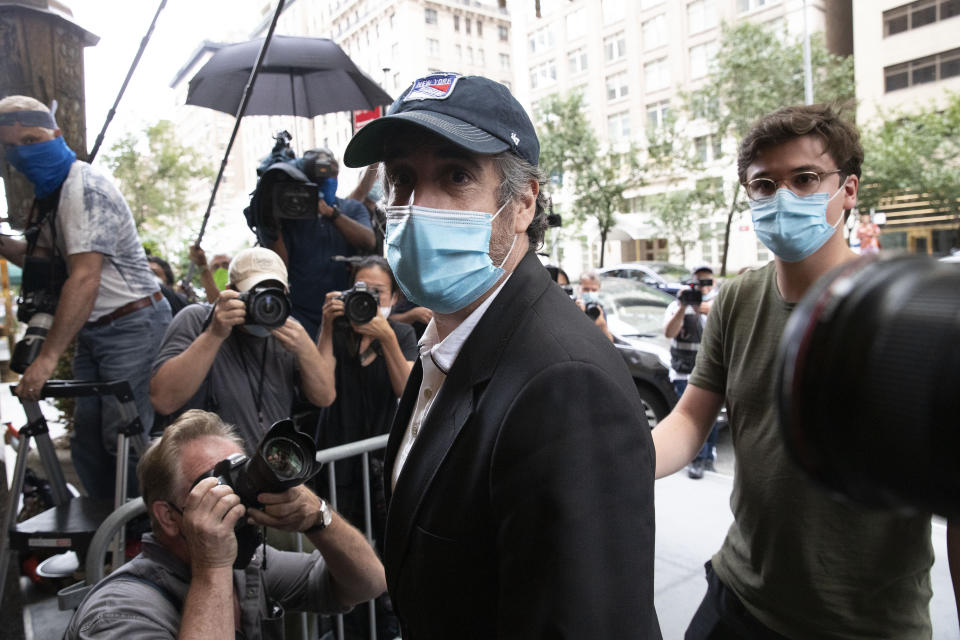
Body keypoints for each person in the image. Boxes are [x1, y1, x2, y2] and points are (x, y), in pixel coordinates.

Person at [342, 73, 660, 639]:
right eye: (403, 179)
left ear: (521, 203)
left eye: (456, 175)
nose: (417, 208)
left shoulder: (564, 385)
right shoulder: (446, 342)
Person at [652, 104, 958, 638]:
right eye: (764, 184)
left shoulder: (908, 312)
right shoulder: (736, 298)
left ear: (850, 190)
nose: (783, 197)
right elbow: (691, 418)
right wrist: (610, 460)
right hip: (737, 599)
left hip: (864, 626)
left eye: (806, 178)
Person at [64, 409, 386, 639]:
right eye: (214, 485)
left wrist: (319, 518)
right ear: (169, 517)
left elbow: (369, 583)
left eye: (239, 472)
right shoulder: (118, 615)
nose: (237, 496)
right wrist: (212, 567)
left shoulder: (248, 567)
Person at [0, 95, 171, 499]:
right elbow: (42, 259)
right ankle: (103, 531)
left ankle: (140, 531)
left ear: (57, 135)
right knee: (88, 440)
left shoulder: (83, 187)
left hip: (133, 324)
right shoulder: (50, 194)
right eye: (14, 145)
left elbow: (84, 278)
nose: (25, 151)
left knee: (125, 438)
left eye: (33, 139)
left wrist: (45, 360)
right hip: (95, 329)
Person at [314, 254, 416, 638]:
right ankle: (339, 627)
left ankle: (387, 627)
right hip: (337, 463)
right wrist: (326, 327)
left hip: (380, 468)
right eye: (362, 290)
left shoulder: (402, 335)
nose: (370, 299)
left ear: (394, 298)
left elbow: (407, 390)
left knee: (382, 553)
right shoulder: (336, 333)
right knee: (339, 551)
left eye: (379, 292)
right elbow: (319, 391)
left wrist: (387, 336)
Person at [150, 247, 335, 451]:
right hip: (208, 469)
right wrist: (214, 334)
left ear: (286, 292)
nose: (266, 303)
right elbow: (163, 399)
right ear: (231, 290)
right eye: (255, 292)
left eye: (275, 292)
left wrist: (305, 349)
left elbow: (324, 397)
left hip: (267, 468)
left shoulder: (288, 329)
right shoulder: (197, 319)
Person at [267, 148, 376, 339]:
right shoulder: (293, 215)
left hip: (346, 311)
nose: (326, 180)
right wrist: (275, 225)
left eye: (332, 173)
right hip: (302, 315)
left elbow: (368, 241)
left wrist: (331, 214)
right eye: (318, 175)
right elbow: (279, 267)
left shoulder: (351, 208)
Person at [662, 264, 717, 479]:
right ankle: (697, 460)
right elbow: (669, 332)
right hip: (685, 372)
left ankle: (708, 457)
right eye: (699, 282)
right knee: (693, 418)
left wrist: (702, 308)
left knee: (711, 420)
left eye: (707, 282)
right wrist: (684, 308)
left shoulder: (717, 305)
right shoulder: (677, 306)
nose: (703, 287)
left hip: (710, 373)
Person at [577, 270, 614, 342]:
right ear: (579, 288)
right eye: (586, 289)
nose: (590, 292)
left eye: (594, 290)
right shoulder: (572, 305)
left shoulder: (599, 309)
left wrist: (603, 325)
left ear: (599, 289)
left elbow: (610, 343)